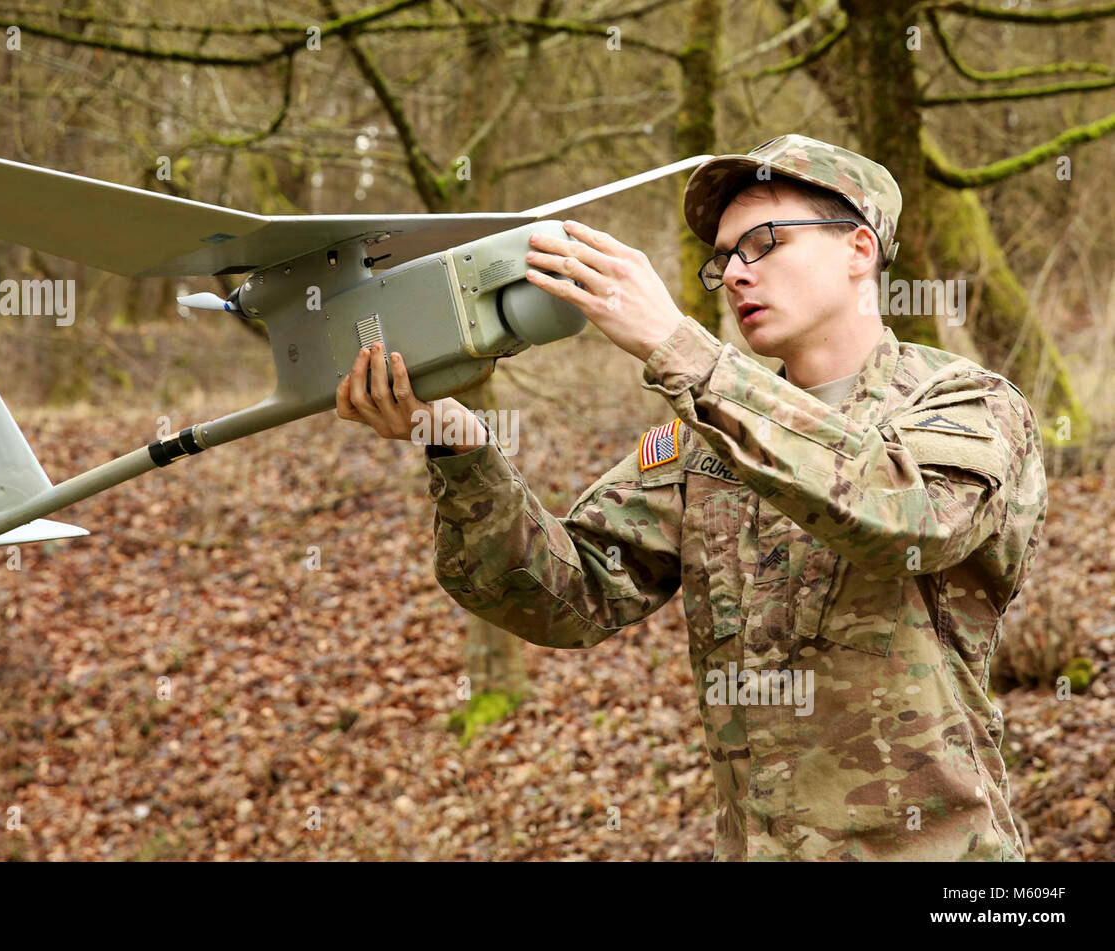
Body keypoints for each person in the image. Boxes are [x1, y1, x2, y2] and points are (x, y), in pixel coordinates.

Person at [334, 133, 1048, 862]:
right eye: (724, 257)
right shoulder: (705, 444)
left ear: (859, 249)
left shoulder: (965, 404)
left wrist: (679, 347)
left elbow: (906, 519)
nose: (736, 273)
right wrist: (461, 449)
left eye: (763, 242)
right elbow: (568, 596)